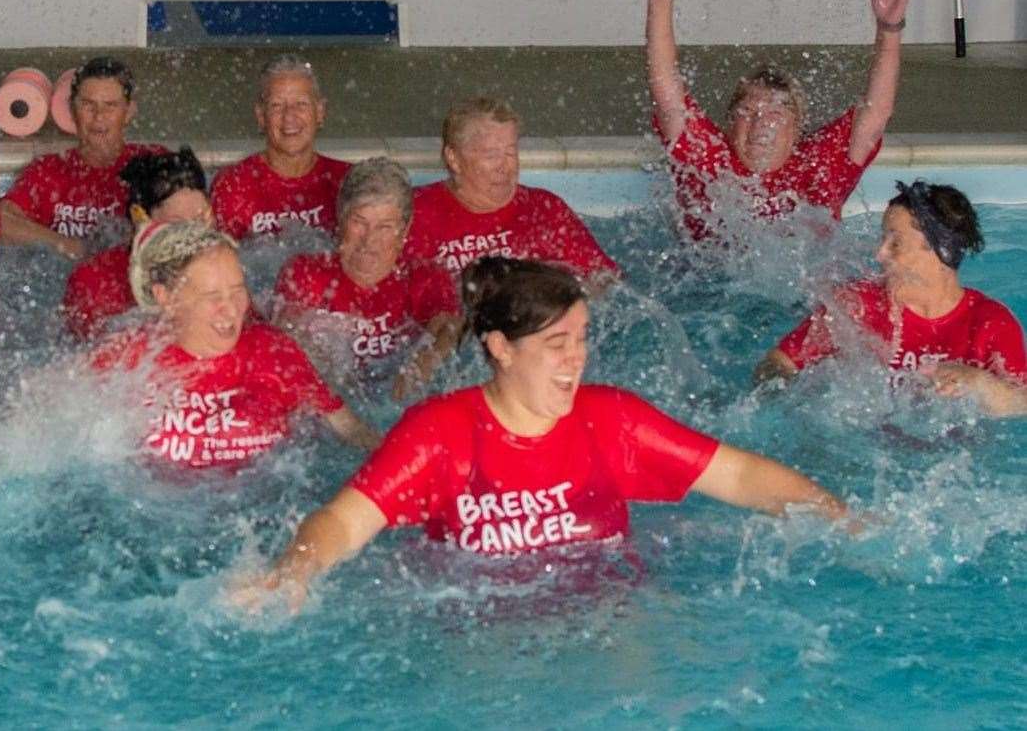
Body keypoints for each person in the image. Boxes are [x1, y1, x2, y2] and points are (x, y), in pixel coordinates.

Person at [235, 258, 848, 612]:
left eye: (581, 339)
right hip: (483, 632)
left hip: (610, 620)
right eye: (557, 345)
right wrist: (294, 573)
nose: (576, 360)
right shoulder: (440, 433)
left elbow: (737, 473)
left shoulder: (610, 419)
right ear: (500, 348)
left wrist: (836, 515)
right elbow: (343, 521)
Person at [644, 0, 919, 240]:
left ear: (798, 128)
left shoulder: (819, 165)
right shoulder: (709, 162)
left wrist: (889, 29)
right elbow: (668, 94)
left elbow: (875, 114)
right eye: (748, 113)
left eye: (775, 114)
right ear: (729, 124)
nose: (761, 124)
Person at [87, 220, 381, 471]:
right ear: (167, 298)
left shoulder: (274, 353)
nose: (231, 310)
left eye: (237, 291)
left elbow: (351, 430)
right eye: (213, 296)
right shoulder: (127, 359)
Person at [757, 181, 1026, 416]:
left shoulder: (990, 323)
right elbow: (777, 363)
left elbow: (1022, 403)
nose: (879, 254)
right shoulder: (856, 305)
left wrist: (979, 383)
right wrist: (792, 405)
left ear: (941, 251)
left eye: (895, 243)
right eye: (883, 239)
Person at [274, 158, 461, 400]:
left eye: (384, 227)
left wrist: (420, 368)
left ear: (404, 231)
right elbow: (285, 352)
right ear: (340, 221)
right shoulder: (305, 274)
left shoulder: (425, 277)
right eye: (359, 223)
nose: (369, 240)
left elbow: (449, 328)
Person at [401, 98, 617, 285]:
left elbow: (605, 277)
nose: (505, 166)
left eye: (511, 153)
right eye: (491, 155)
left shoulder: (543, 208)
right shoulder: (416, 211)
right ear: (454, 159)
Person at [0, 57, 164, 260]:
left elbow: (186, 221)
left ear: (129, 111)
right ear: (72, 109)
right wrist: (71, 246)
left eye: (110, 105)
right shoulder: (48, 170)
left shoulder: (153, 163)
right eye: (88, 104)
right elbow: (2, 222)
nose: (99, 116)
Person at [61, 147, 213, 341]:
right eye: (177, 226)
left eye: (199, 222)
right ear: (140, 218)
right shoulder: (94, 282)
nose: (192, 238)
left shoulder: (219, 274)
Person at [210, 55, 350, 241]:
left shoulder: (347, 182)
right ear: (261, 116)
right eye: (276, 106)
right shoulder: (233, 185)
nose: (289, 116)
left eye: (301, 104)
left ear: (320, 112)